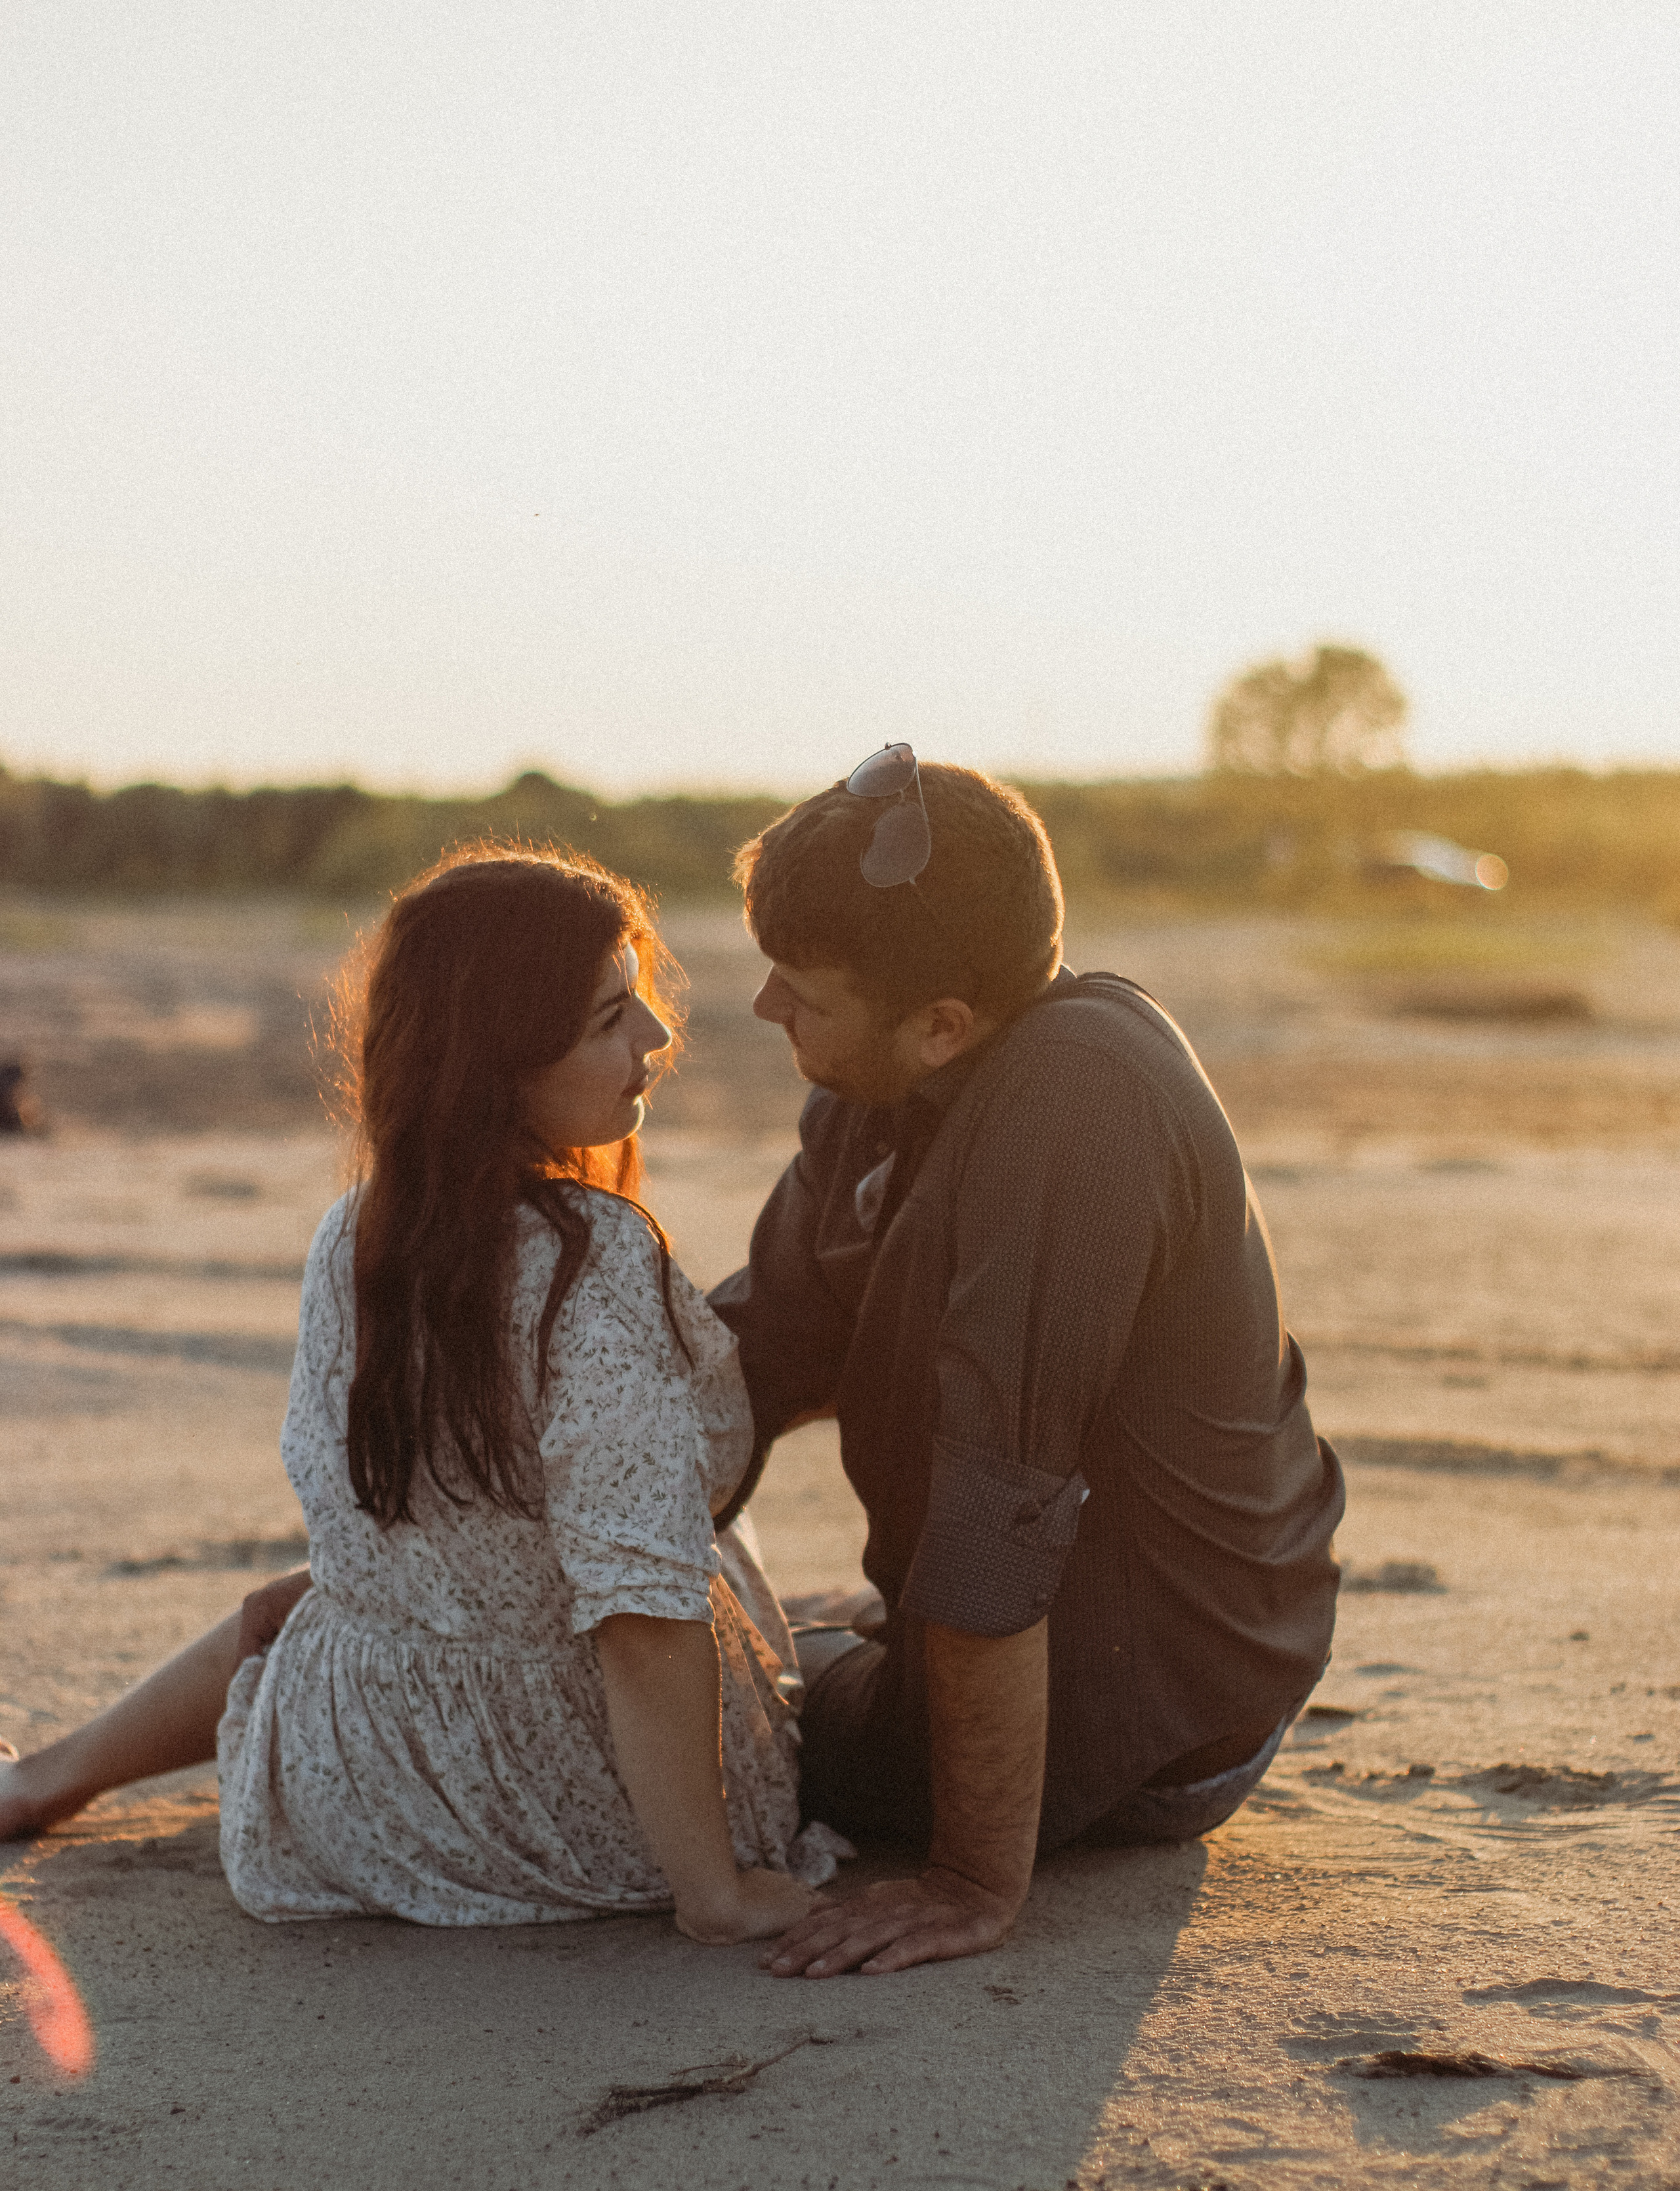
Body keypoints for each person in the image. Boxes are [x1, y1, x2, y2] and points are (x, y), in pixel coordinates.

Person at [0, 845, 829, 1943]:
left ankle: (41, 1782)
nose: (657, 1041)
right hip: (556, 1807)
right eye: (609, 1019)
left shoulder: (363, 1230)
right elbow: (638, 1619)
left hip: (357, 1786)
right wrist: (712, 1891)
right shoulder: (592, 1268)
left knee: (313, 1599)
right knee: (702, 1556)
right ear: (498, 1065)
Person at [705, 747, 1345, 1980]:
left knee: (710, 1706)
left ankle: (868, 1686)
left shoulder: (1079, 1100)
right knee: (668, 1637)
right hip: (1076, 1635)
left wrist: (970, 1880)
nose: (767, 1011)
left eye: (804, 990)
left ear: (943, 1022)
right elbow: (764, 1347)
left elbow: (1001, 1511)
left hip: (1163, 1712)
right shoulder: (878, 1089)